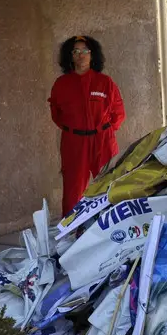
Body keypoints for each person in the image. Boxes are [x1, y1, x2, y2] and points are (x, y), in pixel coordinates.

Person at [50, 35, 126, 216]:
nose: (81, 55)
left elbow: (118, 113)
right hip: (74, 142)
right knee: (73, 189)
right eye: (76, 51)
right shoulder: (62, 84)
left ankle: (110, 227)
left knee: (109, 185)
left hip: (103, 141)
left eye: (85, 51)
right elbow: (57, 115)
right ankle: (71, 232)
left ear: (93, 55)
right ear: (70, 56)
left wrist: (103, 131)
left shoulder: (105, 82)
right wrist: (76, 130)